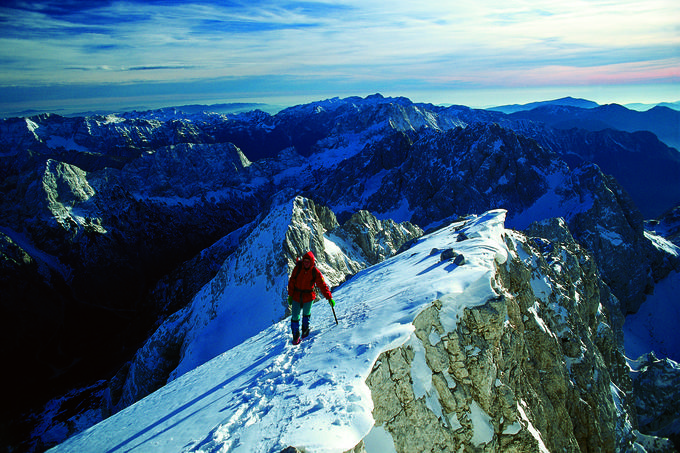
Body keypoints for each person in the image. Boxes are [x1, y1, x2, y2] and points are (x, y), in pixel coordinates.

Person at [287, 251, 335, 344]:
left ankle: (305, 331)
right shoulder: (297, 269)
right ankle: (295, 336)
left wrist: (329, 298)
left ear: (312, 262)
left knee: (306, 314)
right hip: (297, 296)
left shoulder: (315, 272)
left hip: (308, 297)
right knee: (295, 316)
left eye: (308, 262)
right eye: (304, 261)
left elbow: (322, 285)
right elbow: (291, 282)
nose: (306, 263)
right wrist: (290, 295)